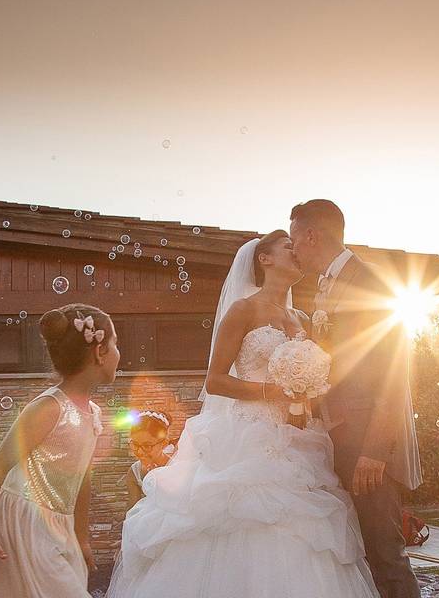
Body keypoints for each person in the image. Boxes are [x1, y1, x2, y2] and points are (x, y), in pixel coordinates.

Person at [109, 231, 378, 598]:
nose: (295, 252)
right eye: (287, 247)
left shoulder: (301, 316)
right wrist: (271, 391)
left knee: (299, 531)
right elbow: (215, 380)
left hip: (296, 438)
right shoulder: (244, 310)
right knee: (238, 523)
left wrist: (307, 392)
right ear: (264, 259)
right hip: (246, 435)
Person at [290, 199, 422, 598]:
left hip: (366, 444)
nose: (293, 248)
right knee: (363, 553)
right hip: (341, 436)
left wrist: (375, 451)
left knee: (385, 554)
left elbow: (394, 373)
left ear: (312, 235)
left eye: (295, 238)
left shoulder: (368, 282)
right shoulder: (328, 284)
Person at [0, 304, 116, 598]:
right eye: (115, 344)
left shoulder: (93, 413)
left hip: (59, 524)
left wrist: (82, 537)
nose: (117, 353)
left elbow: (82, 478)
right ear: (99, 352)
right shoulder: (49, 407)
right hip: (24, 521)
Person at [125, 410, 176, 512]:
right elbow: (133, 509)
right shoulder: (135, 471)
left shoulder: (175, 468)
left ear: (164, 443)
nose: (139, 451)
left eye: (147, 446)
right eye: (135, 444)